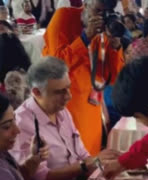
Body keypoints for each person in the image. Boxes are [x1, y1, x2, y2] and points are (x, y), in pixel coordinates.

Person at [9, 57, 118, 180]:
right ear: (36, 92)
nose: (69, 96)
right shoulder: (22, 124)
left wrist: (100, 166)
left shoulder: (61, 111)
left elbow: (81, 153)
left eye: (68, 88)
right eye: (60, 92)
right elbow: (41, 179)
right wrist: (86, 165)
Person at [42, 0, 124, 155]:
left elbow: (114, 77)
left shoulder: (105, 26)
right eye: (98, 10)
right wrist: (86, 37)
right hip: (67, 101)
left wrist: (115, 47)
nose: (102, 16)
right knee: (73, 153)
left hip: (93, 101)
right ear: (86, 4)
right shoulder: (64, 17)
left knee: (91, 151)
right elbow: (55, 65)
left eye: (107, 12)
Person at [0, 93, 73, 180]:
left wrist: (34, 159)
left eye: (14, 120)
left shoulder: (3, 153)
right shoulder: (2, 176)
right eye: (7, 126)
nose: (17, 130)